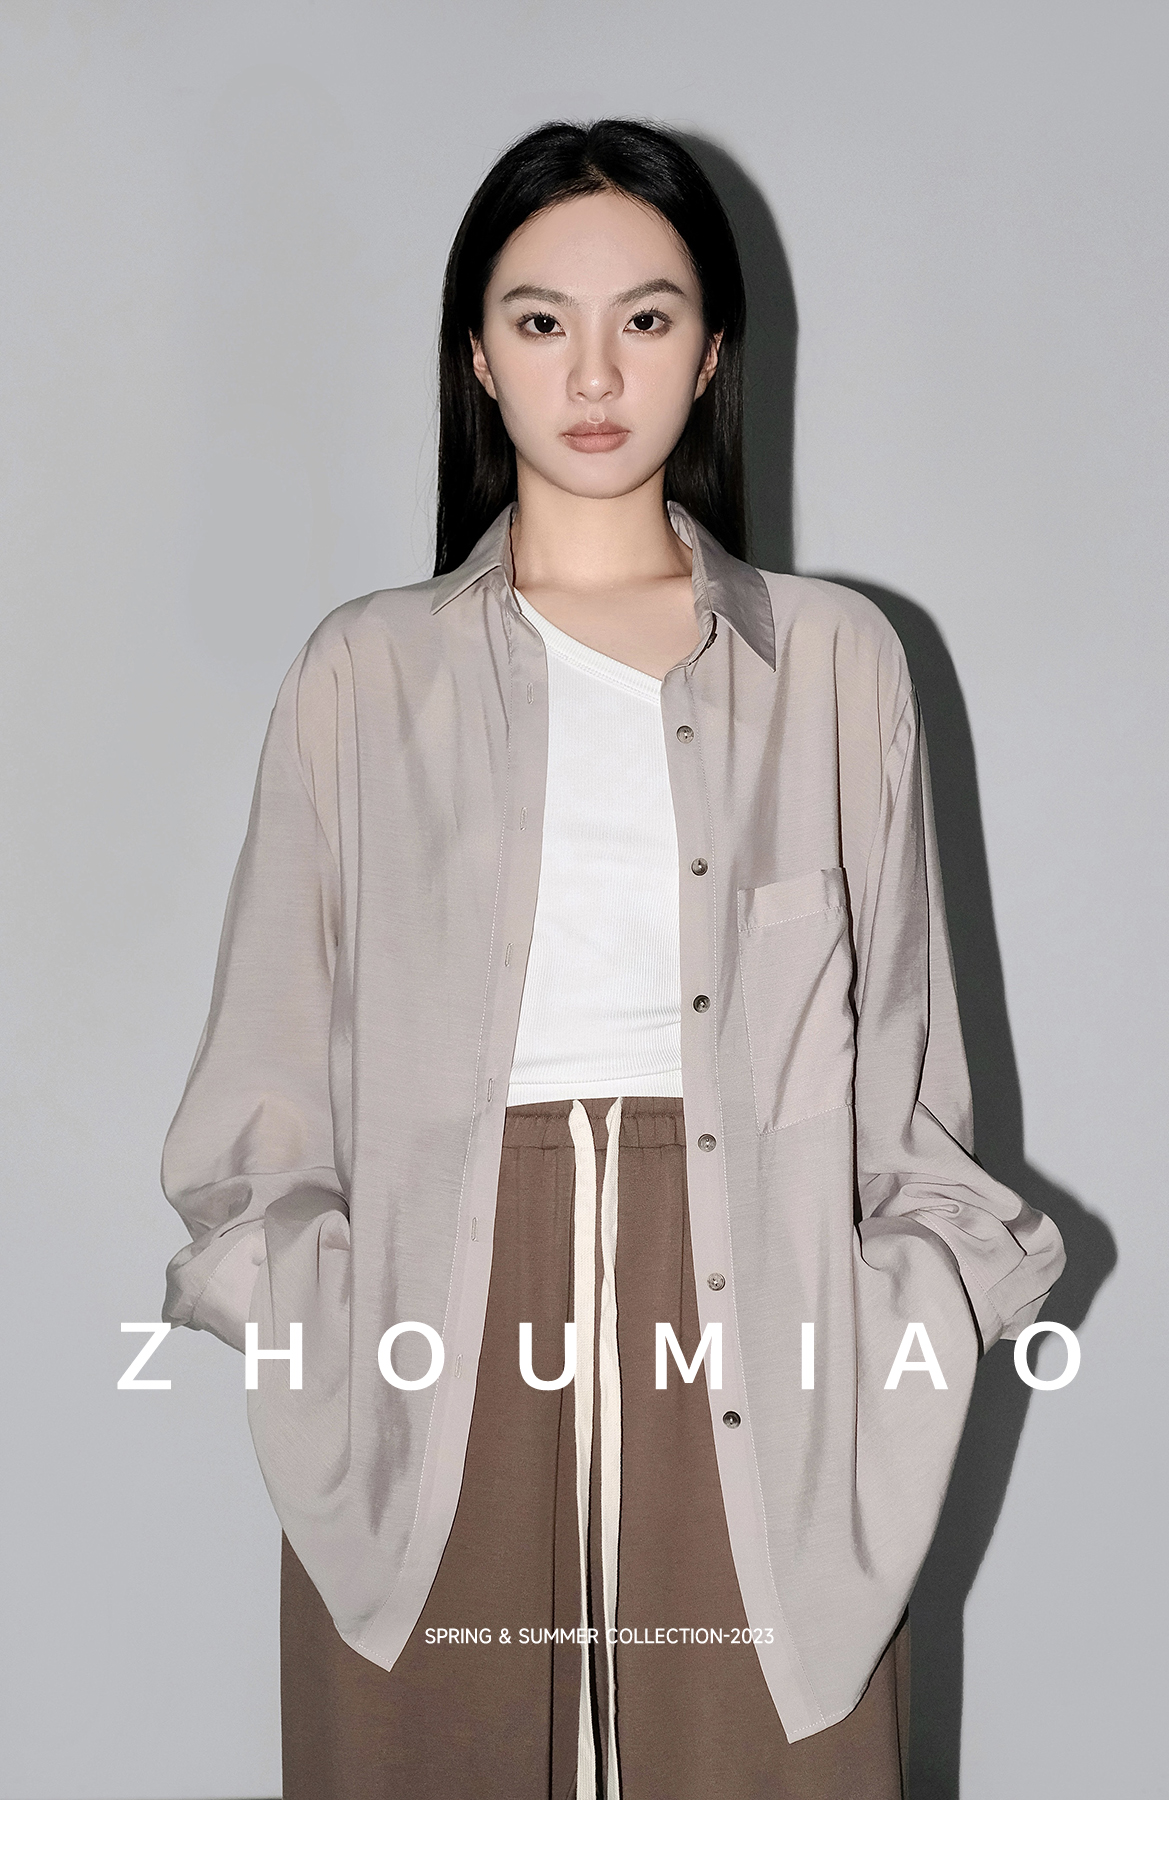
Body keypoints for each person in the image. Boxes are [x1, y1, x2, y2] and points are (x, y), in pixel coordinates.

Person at [160, 118, 1066, 1800]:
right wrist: (315, 1331)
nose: (593, 372)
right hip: (435, 1326)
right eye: (539, 320)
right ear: (476, 356)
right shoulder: (365, 674)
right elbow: (259, 1098)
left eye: (646, 318)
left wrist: (905, 1329)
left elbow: (912, 1096)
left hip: (759, 1311)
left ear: (712, 352)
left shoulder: (837, 664)